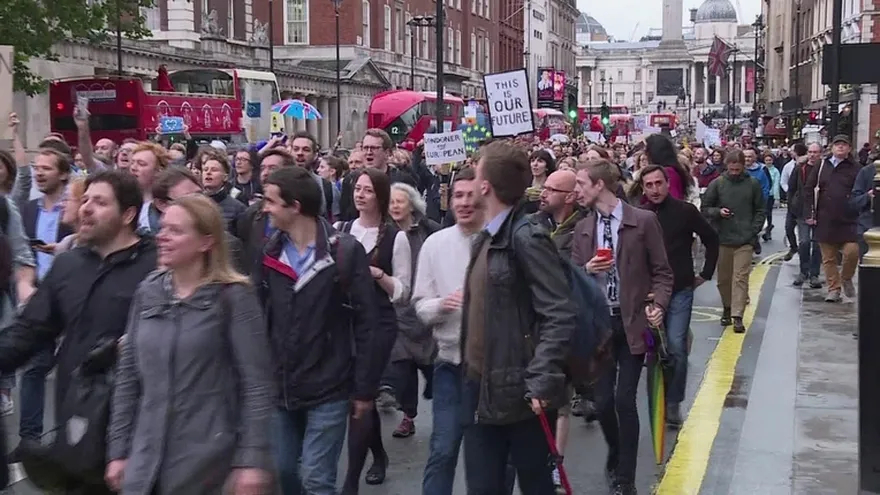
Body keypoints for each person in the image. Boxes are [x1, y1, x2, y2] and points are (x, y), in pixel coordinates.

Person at [0, 170, 158, 492]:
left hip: (142, 420)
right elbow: (30, 330)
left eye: (99, 202)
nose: (85, 208)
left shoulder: (157, 265)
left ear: (128, 214)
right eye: (84, 199)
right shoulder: (68, 265)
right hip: (78, 418)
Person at [105, 194, 274, 494]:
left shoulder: (234, 298)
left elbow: (257, 384)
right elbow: (128, 376)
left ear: (206, 242)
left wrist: (252, 459)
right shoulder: (148, 292)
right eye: (163, 228)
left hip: (209, 462)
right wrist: (118, 451)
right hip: (146, 459)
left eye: (176, 231)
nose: (162, 237)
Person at [255, 166, 381, 495]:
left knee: (316, 477)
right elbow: (259, 317)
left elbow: (368, 324)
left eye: (270, 201)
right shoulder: (269, 253)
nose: (264, 208)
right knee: (284, 471)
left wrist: (364, 389)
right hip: (282, 385)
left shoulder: (345, 252)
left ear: (294, 206)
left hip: (330, 386)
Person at [461, 140, 575, 494]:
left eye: (477, 169)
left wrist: (541, 380)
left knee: (534, 486)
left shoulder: (526, 237)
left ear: (485, 186)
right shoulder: (488, 237)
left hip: (522, 393)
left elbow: (559, 311)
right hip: (483, 388)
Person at [572, 158, 672, 495]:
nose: (576, 192)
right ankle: (615, 451)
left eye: (581, 185)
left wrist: (657, 305)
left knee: (624, 399)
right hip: (599, 326)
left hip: (633, 322)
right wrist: (586, 268)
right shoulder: (583, 228)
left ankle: (625, 478)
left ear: (600, 185)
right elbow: (571, 279)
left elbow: (662, 272)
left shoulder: (642, 222)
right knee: (601, 403)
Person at [337, 168, 411, 491]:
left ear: (379, 196)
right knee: (357, 397)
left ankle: (351, 480)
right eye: (357, 189)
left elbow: (402, 291)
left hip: (379, 323)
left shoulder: (396, 237)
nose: (360, 194)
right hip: (345, 322)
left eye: (367, 190)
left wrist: (377, 274)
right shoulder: (341, 230)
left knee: (362, 394)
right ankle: (378, 453)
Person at [417, 168, 485, 495]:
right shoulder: (435, 244)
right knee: (443, 449)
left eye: (471, 195)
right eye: (458, 195)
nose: (464, 203)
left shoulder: (499, 241)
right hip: (449, 365)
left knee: (485, 457)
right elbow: (420, 305)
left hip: (492, 370)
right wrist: (444, 304)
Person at [639, 164, 719, 428]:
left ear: (666, 183)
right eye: (648, 185)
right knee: (653, 348)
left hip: (681, 289)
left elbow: (711, 237)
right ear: (642, 188)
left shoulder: (685, 211)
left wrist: (705, 273)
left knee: (675, 345)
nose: (654, 189)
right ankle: (657, 397)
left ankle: (673, 402)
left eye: (658, 183)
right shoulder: (639, 214)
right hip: (648, 292)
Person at [383, 182, 439, 438]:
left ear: (412, 205)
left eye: (400, 201)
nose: (395, 206)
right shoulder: (384, 233)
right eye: (391, 201)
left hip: (424, 307)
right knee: (402, 368)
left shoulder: (429, 231)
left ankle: (436, 393)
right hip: (396, 311)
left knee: (430, 365)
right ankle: (408, 416)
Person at [701, 150, 765, 333]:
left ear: (743, 166)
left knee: (740, 278)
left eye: (738, 169)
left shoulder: (753, 184)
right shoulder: (718, 184)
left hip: (745, 239)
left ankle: (737, 315)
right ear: (726, 166)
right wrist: (718, 212)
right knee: (724, 279)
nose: (735, 172)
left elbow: (760, 209)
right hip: (722, 238)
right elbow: (705, 207)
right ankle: (727, 307)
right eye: (732, 169)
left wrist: (754, 230)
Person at [804, 135, 861, 302]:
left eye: (844, 145)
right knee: (828, 258)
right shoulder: (822, 165)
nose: (841, 147)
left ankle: (846, 277)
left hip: (848, 219)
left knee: (852, 252)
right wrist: (809, 213)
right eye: (837, 145)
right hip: (825, 218)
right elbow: (809, 189)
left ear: (849, 149)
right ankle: (834, 289)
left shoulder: (856, 168)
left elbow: (861, 190)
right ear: (832, 148)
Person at [788, 144, 823, 288]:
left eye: (815, 152)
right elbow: (792, 188)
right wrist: (792, 206)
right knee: (804, 242)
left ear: (821, 153)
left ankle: (814, 274)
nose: (812, 155)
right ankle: (803, 271)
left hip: (821, 212)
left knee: (817, 245)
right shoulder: (799, 168)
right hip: (802, 211)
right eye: (810, 152)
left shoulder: (824, 169)